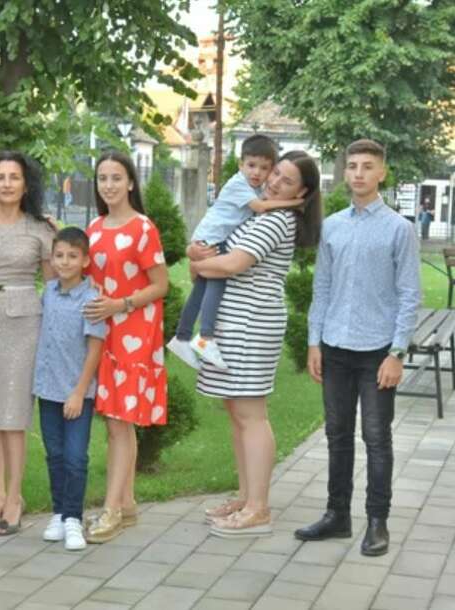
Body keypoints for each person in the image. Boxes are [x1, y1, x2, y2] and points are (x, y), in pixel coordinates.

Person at [296, 139, 421, 556]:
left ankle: (377, 521)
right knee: (337, 435)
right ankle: (337, 515)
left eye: (368, 166)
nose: (359, 173)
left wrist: (397, 353)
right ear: (345, 172)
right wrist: (314, 342)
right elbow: (322, 288)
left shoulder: (399, 229)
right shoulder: (332, 226)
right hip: (334, 347)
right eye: (352, 166)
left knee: (376, 437)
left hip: (377, 352)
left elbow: (409, 294)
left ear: (382, 172)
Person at [189, 151, 323, 538]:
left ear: (302, 193)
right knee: (238, 413)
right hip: (234, 324)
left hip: (251, 326)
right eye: (275, 173)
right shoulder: (259, 213)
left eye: (287, 181)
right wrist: (201, 260)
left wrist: (198, 265)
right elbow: (217, 255)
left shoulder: (279, 219)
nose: (275, 182)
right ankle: (246, 497)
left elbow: (233, 264)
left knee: (251, 415)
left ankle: (258, 508)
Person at [83, 151, 169, 543]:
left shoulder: (143, 229)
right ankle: (128, 503)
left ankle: (112, 510)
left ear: (131, 182)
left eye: (116, 178)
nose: (109, 185)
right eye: (103, 178)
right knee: (118, 422)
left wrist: (121, 304)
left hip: (134, 330)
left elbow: (161, 285)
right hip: (104, 333)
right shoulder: (94, 228)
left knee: (120, 422)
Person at [0, 151, 56, 535]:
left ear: (26, 185)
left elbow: (54, 286)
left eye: (14, 177)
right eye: (0, 177)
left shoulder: (41, 228)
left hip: (23, 325)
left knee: (13, 416)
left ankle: (15, 497)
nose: (7, 184)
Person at [168, 134, 303, 371]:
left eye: (264, 168)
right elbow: (260, 207)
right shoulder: (239, 184)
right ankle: (206, 338)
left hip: (211, 238)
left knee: (199, 292)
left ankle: (182, 337)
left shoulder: (256, 188)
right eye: (251, 165)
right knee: (216, 283)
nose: (257, 172)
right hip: (212, 240)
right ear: (241, 165)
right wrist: (294, 202)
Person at [34, 227, 105, 551]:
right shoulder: (48, 292)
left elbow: (94, 349)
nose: (64, 262)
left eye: (72, 256)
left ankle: (74, 518)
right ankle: (59, 513)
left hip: (77, 393)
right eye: (59, 255)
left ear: (85, 260)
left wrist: (79, 392)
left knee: (76, 457)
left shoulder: (92, 299)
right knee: (55, 455)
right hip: (48, 390)